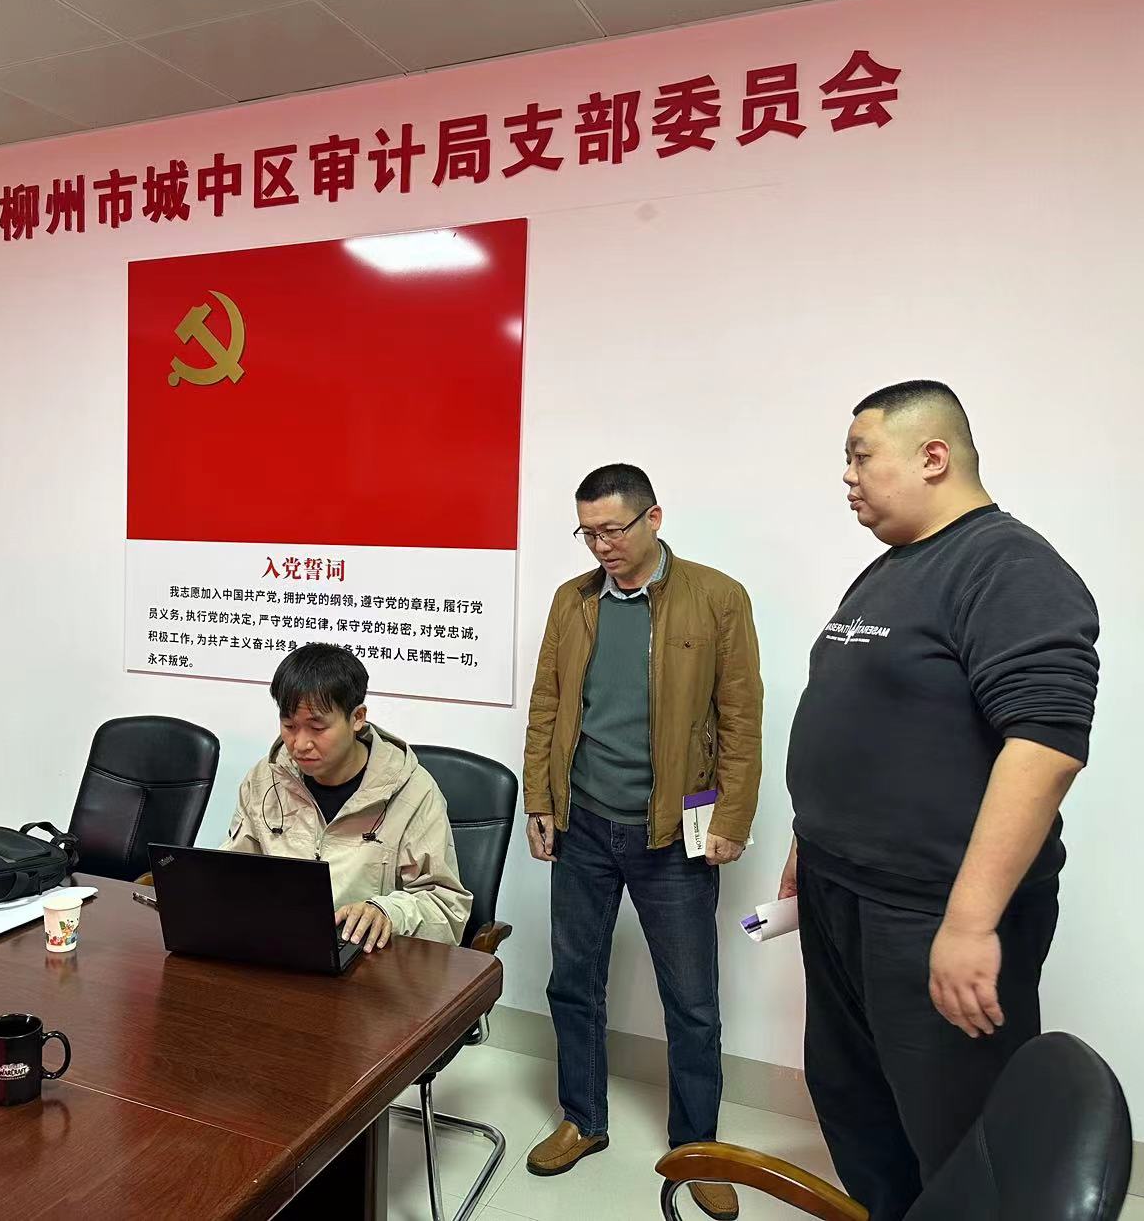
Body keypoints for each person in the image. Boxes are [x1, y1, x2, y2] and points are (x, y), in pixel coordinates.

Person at [782, 381, 1099, 1221]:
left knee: (958, 1134)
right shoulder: (890, 569)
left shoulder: (1009, 566)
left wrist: (969, 923)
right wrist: (809, 840)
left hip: (929, 911)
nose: (846, 476)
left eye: (860, 456)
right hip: (841, 893)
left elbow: (1046, 748)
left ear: (933, 457)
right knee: (856, 1102)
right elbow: (864, 723)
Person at [522, 464, 762, 1221]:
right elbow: (548, 703)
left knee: (691, 1000)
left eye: (613, 529)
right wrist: (540, 799)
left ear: (653, 518)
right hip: (584, 823)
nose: (601, 545)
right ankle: (582, 1118)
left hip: (673, 833)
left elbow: (741, 718)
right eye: (588, 532)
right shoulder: (574, 601)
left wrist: (730, 819)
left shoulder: (717, 597)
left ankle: (698, 1147)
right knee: (573, 981)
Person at [221, 643, 471, 949]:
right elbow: (230, 874)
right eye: (289, 726)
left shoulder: (412, 791)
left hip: (368, 960)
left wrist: (388, 913)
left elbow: (446, 909)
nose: (299, 744)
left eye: (317, 727)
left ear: (357, 718)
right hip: (277, 949)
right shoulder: (266, 779)